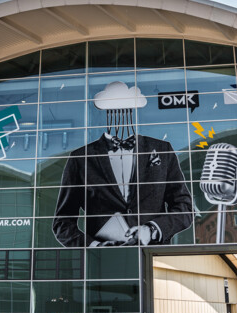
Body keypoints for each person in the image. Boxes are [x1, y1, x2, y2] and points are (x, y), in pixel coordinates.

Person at [53, 82, 193, 247]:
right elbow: (62, 223)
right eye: (113, 111)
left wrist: (152, 230)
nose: (120, 116)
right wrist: (94, 246)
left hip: (154, 256)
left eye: (126, 110)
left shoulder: (162, 150)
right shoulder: (80, 158)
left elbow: (184, 207)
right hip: (103, 261)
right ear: (102, 113)